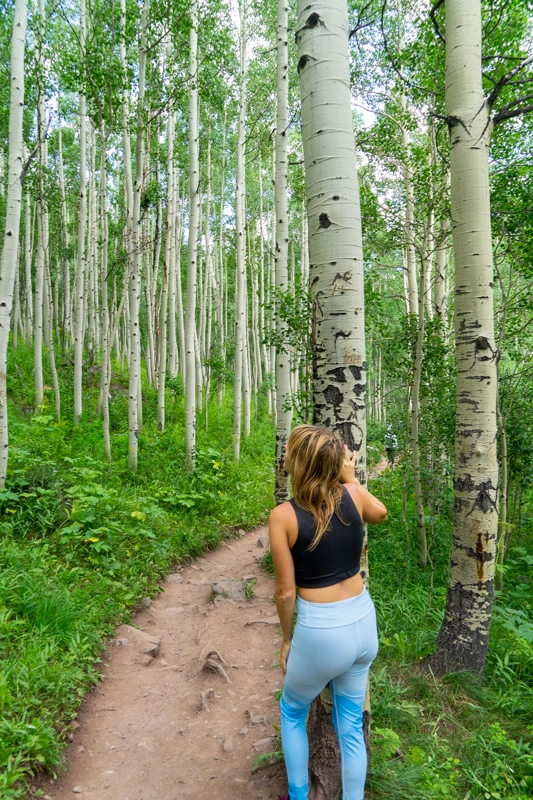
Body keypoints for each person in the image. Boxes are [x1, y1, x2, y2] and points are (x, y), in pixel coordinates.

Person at [269, 425, 387, 800]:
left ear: (300, 463)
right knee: (350, 725)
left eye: (289, 451)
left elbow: (286, 592)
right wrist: (351, 480)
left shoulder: (283, 516)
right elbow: (380, 513)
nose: (284, 455)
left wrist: (287, 640)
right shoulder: (352, 495)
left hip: (321, 632)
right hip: (363, 624)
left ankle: (299, 796)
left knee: (291, 712)